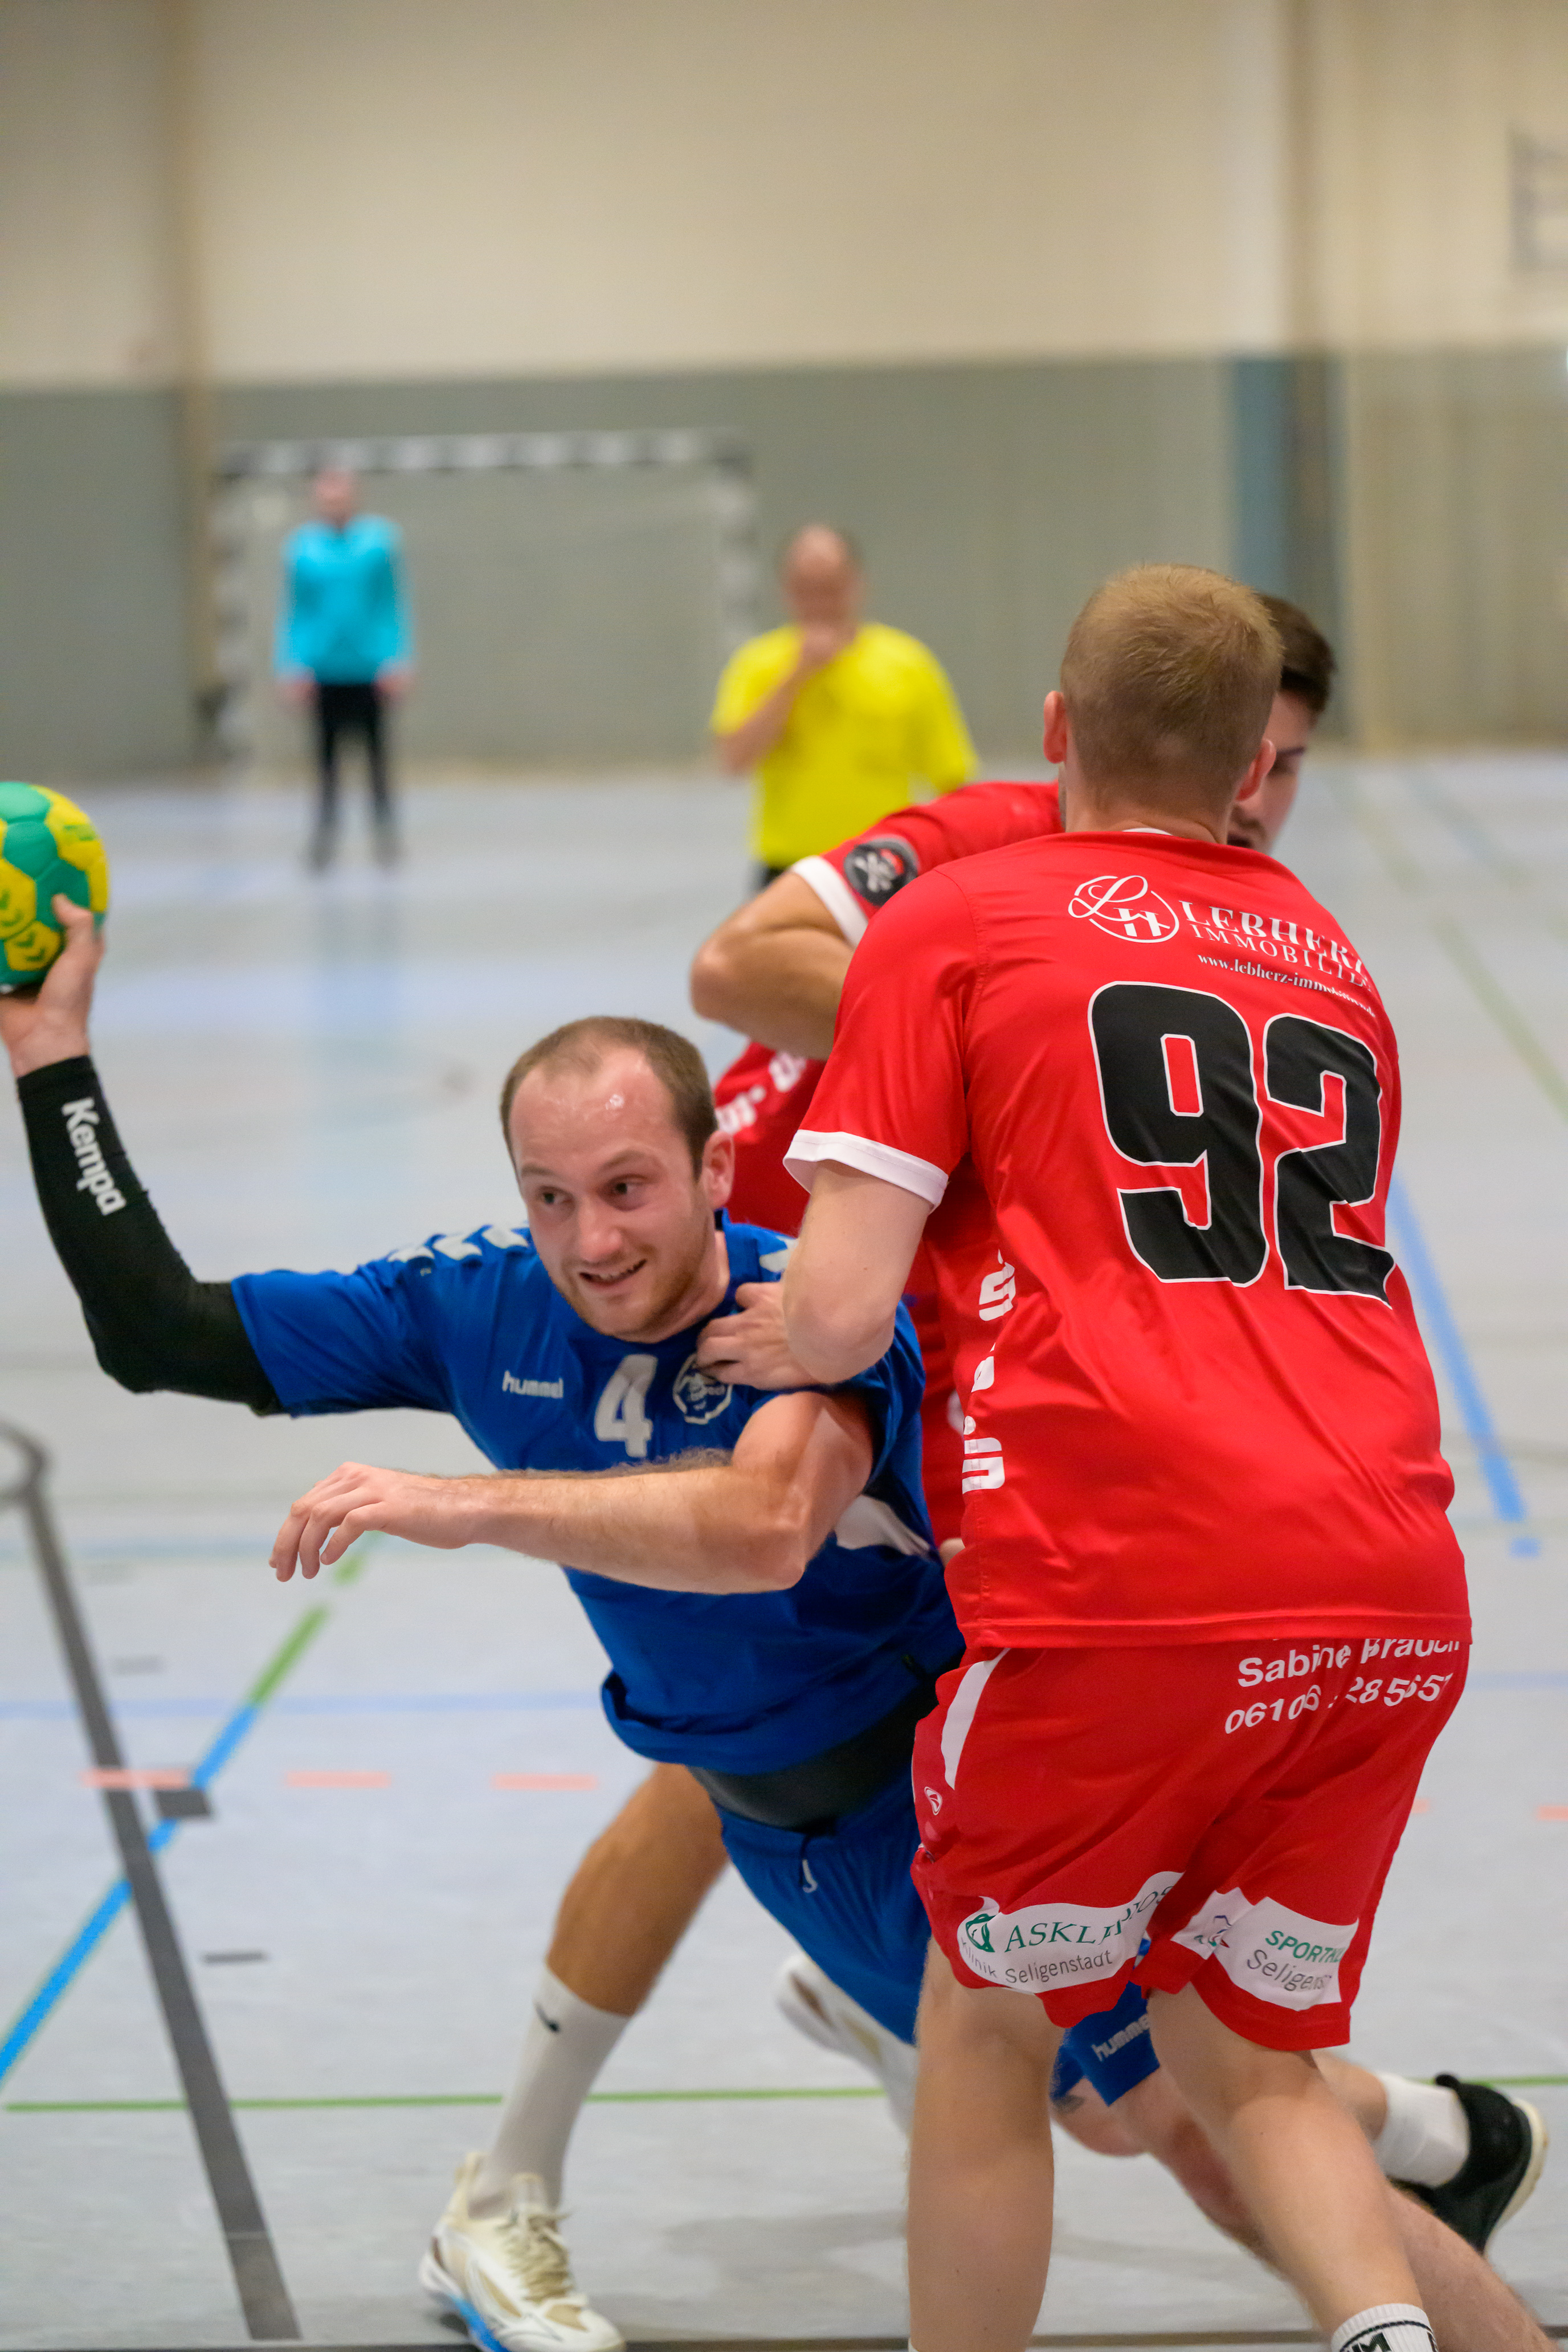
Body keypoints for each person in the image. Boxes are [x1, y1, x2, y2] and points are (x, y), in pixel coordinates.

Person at [778, 564, 1478, 2352]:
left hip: (1128, 1586)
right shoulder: (1327, 953)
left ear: (1050, 732)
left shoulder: (958, 920)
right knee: (1250, 2053)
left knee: (987, 2023)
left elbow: (840, 1312)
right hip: (1389, 1589)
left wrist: (781, 1324)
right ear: (1254, 764)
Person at [711, 525, 975, 887]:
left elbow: (951, 777)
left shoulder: (909, 664)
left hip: (884, 861)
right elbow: (734, 760)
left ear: (857, 584)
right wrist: (795, 676)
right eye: (806, 590)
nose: (820, 604)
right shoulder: (757, 664)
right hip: (791, 865)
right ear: (785, 590)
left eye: (831, 588)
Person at [276, 468, 412, 869]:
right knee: (327, 761)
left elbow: (391, 604)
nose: (334, 505)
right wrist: (292, 664)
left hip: (368, 667)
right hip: (324, 669)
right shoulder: (302, 548)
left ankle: (385, 834)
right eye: (326, 499)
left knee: (376, 757)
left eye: (340, 497)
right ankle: (325, 834)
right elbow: (296, 611)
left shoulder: (379, 543)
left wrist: (397, 658)